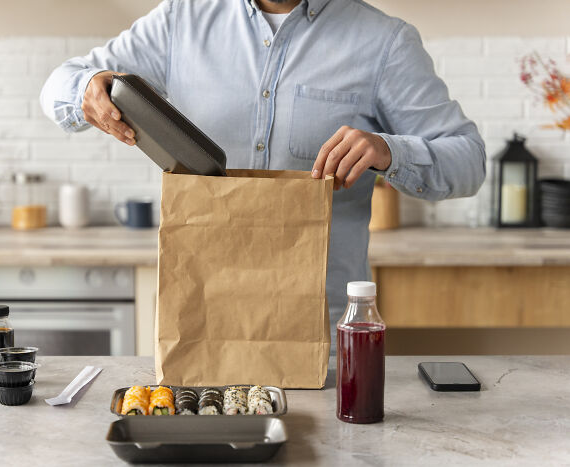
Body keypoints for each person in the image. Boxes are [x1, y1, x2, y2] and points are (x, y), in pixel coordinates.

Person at [41, 0, 486, 348]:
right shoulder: (180, 22)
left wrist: (389, 149)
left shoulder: (385, 42)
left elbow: (468, 159)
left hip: (321, 325)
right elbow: (59, 83)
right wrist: (87, 87)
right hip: (199, 315)